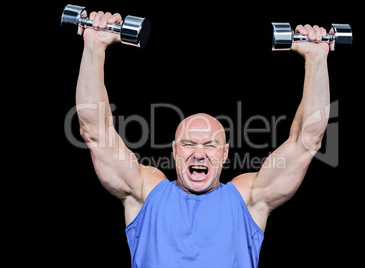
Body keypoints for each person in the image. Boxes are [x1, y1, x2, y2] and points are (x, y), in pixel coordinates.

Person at [76, 10, 330, 268]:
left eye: (210, 145)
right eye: (188, 144)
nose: (199, 153)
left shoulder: (249, 199)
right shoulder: (145, 193)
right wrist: (94, 46)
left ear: (225, 153)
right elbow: (96, 131)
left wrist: (317, 58)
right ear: (174, 151)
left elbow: (306, 141)